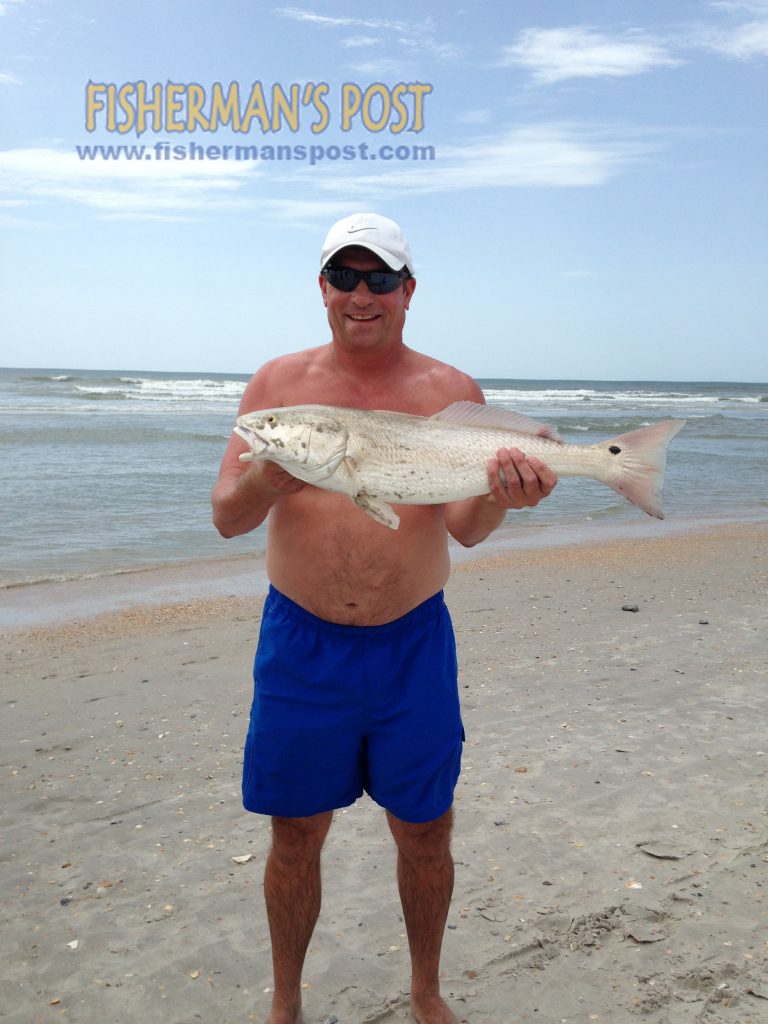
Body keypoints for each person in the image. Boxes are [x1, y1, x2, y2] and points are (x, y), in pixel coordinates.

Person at [211, 213, 557, 1024]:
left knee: (427, 831)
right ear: (322, 288)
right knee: (294, 834)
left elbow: (467, 528)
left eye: (379, 279)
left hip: (413, 643)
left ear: (408, 290)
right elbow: (228, 517)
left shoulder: (450, 392)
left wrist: (512, 496)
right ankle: (286, 1004)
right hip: (301, 645)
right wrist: (271, 477)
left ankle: (426, 991)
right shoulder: (274, 387)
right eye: (345, 277)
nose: (360, 295)